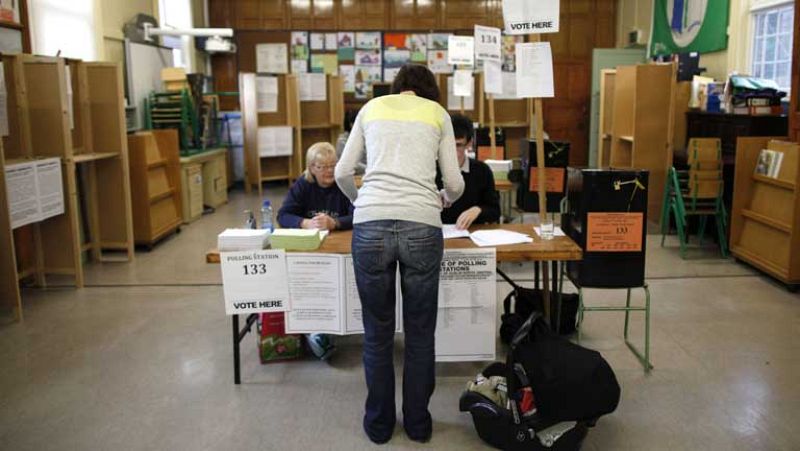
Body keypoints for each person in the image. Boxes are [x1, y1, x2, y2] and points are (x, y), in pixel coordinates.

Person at [335, 64, 464, 444]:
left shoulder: (371, 108)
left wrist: (365, 204)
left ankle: (378, 426)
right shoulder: (437, 114)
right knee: (420, 335)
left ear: (397, 87)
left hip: (370, 225)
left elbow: (343, 171)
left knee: (376, 335)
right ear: (429, 91)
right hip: (422, 225)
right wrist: (441, 199)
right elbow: (455, 183)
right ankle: (419, 425)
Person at [277, 142, 354, 360]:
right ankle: (314, 326)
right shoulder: (303, 185)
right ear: (311, 168)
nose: (329, 171)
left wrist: (334, 222)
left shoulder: (343, 184)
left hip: (340, 249)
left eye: (333, 165)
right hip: (311, 250)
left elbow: (359, 214)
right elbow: (283, 215)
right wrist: (303, 223)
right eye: (323, 166)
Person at [437, 114, 500, 229]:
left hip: (470, 234)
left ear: (469, 144)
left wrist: (478, 210)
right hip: (437, 235)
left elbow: (495, 211)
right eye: (448, 145)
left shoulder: (482, 171)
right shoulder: (431, 170)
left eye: (458, 145)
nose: (452, 151)